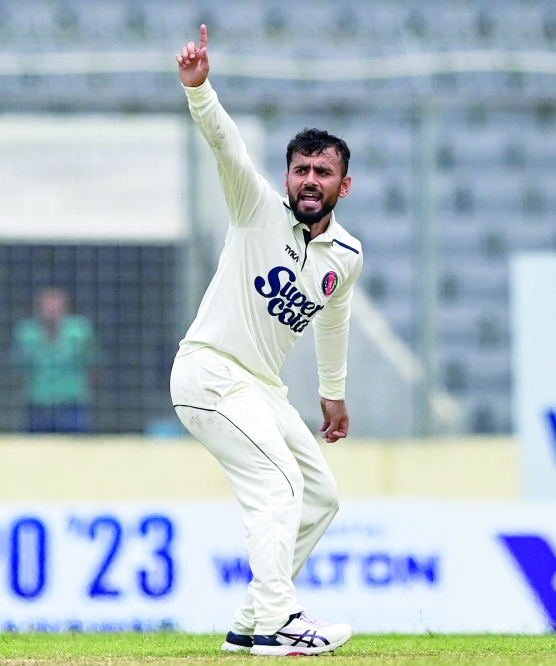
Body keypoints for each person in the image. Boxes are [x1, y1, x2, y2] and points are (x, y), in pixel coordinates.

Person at [170, 25, 362, 657]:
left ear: (343, 185)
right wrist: (200, 91)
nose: (310, 180)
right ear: (286, 177)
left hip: (261, 386)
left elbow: (333, 320)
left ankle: (253, 619)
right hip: (210, 372)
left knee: (322, 498)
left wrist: (332, 396)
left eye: (323, 172)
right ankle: (282, 622)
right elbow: (226, 146)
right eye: (301, 169)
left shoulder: (347, 254)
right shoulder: (255, 207)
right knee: (279, 484)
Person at [12, 288, 98, 433]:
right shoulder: (26, 333)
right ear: (38, 309)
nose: (52, 312)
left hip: (72, 403)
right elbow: (18, 371)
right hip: (38, 404)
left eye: (56, 307)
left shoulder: (80, 331)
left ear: (65, 308)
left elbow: (93, 366)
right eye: (47, 307)